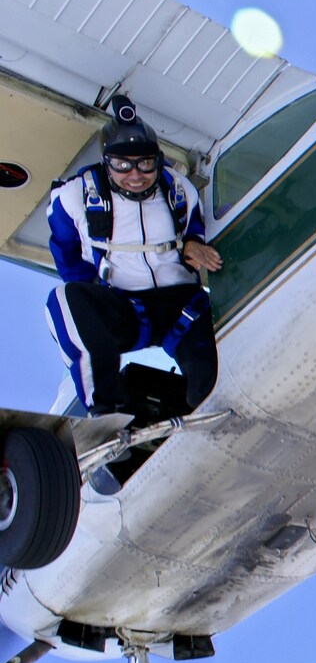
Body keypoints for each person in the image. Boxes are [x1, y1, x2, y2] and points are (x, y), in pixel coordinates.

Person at [45, 95, 222, 422]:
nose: (136, 175)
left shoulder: (179, 189)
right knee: (65, 299)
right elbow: (66, 250)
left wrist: (193, 242)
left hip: (181, 309)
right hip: (128, 308)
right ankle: (105, 411)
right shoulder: (75, 196)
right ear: (106, 163)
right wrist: (96, 293)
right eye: (122, 166)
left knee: (209, 388)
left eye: (145, 164)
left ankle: (207, 418)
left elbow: (194, 222)